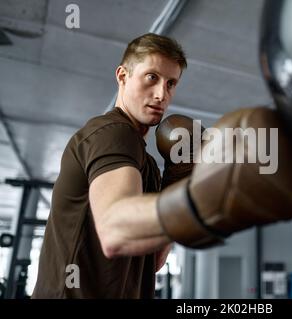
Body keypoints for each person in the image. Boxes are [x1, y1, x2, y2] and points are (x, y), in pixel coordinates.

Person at [32, 33, 188, 298]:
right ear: (122, 76)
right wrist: (204, 201)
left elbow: (153, 261)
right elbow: (118, 235)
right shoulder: (114, 133)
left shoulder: (146, 161)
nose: (162, 94)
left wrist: (179, 176)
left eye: (171, 83)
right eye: (152, 77)